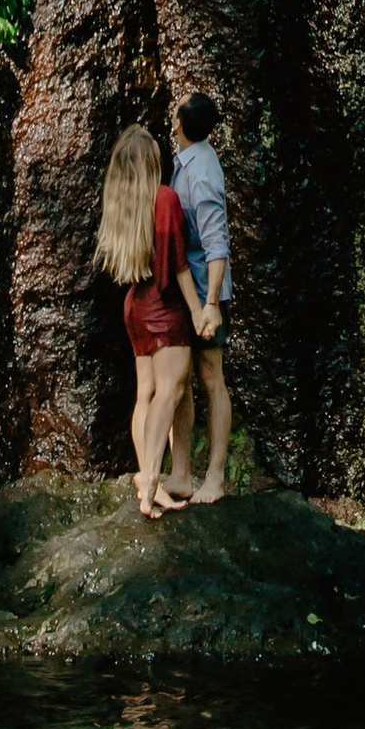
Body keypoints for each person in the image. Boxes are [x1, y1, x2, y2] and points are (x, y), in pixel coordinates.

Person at [95, 121, 208, 518]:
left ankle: (147, 479)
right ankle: (151, 483)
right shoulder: (164, 199)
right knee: (171, 391)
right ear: (150, 163)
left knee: (145, 394)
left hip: (135, 305)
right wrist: (197, 310)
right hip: (164, 306)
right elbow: (178, 265)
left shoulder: (124, 203)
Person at [166, 92, 234, 503]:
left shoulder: (202, 171)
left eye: (176, 112)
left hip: (206, 294)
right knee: (181, 381)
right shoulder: (186, 159)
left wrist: (210, 304)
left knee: (211, 380)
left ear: (181, 125)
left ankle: (216, 478)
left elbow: (217, 245)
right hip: (184, 291)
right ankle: (180, 473)